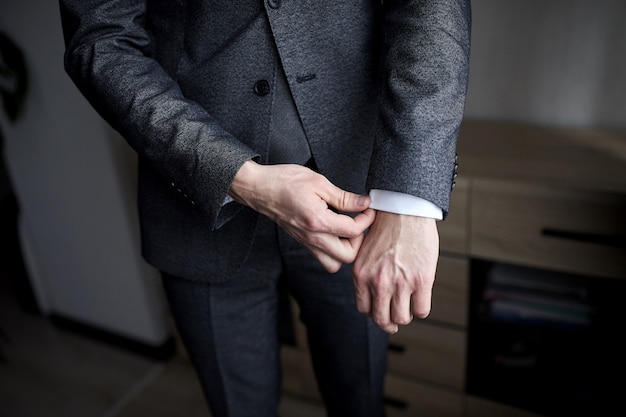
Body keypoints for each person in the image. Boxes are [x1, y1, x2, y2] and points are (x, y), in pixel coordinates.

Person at [59, 1, 471, 416]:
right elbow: (103, 42)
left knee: (361, 400)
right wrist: (239, 178)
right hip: (194, 204)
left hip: (355, 201)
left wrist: (406, 202)